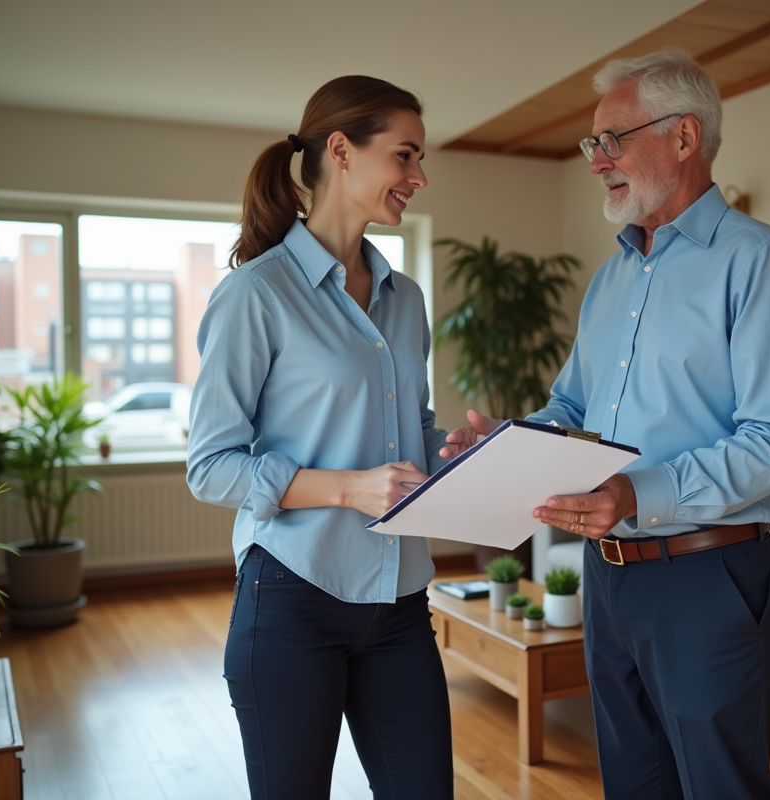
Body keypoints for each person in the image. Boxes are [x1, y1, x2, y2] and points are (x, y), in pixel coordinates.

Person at [443, 49, 770, 799]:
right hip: (608, 578)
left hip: (708, 575)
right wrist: (510, 447)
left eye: (613, 139)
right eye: (593, 144)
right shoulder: (612, 275)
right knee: (633, 784)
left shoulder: (758, 261)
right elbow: (573, 410)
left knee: (720, 787)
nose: (596, 162)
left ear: (684, 138)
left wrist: (636, 493)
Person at [186, 76, 453, 800]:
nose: (418, 177)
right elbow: (211, 466)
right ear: (341, 151)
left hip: (399, 605)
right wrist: (349, 488)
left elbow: (414, 435)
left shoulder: (407, 299)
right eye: (405, 156)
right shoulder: (256, 295)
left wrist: (462, 458)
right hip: (292, 599)